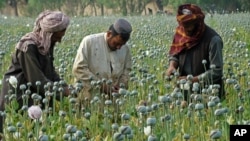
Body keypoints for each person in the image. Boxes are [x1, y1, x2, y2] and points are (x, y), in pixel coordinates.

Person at [0, 10, 70, 136]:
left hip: (36, 92)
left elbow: (50, 72)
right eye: (57, 37)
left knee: (39, 131)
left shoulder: (46, 43)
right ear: (49, 33)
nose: (59, 41)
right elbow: (36, 79)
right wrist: (61, 92)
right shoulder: (28, 46)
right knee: (22, 131)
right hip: (19, 94)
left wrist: (64, 86)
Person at [165, 4, 224, 101]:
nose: (186, 29)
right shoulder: (181, 34)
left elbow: (216, 71)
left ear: (198, 23)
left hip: (209, 96)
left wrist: (193, 80)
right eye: (184, 25)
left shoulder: (213, 40)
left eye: (189, 25)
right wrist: (172, 66)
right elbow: (175, 53)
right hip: (185, 94)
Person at [72, 18, 132, 109]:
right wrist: (102, 86)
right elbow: (79, 69)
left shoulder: (125, 49)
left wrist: (120, 86)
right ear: (109, 34)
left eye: (122, 44)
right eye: (116, 43)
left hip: (113, 101)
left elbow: (126, 71)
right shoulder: (89, 42)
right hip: (89, 99)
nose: (119, 47)